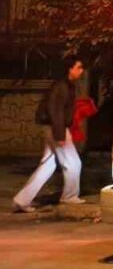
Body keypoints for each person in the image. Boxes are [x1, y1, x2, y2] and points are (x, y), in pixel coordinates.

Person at [13, 57, 86, 212]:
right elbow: (56, 110)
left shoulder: (65, 85)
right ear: (70, 69)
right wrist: (60, 135)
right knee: (73, 163)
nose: (81, 71)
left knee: (47, 165)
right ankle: (69, 196)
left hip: (53, 128)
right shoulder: (62, 86)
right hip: (56, 129)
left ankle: (22, 200)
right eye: (78, 67)